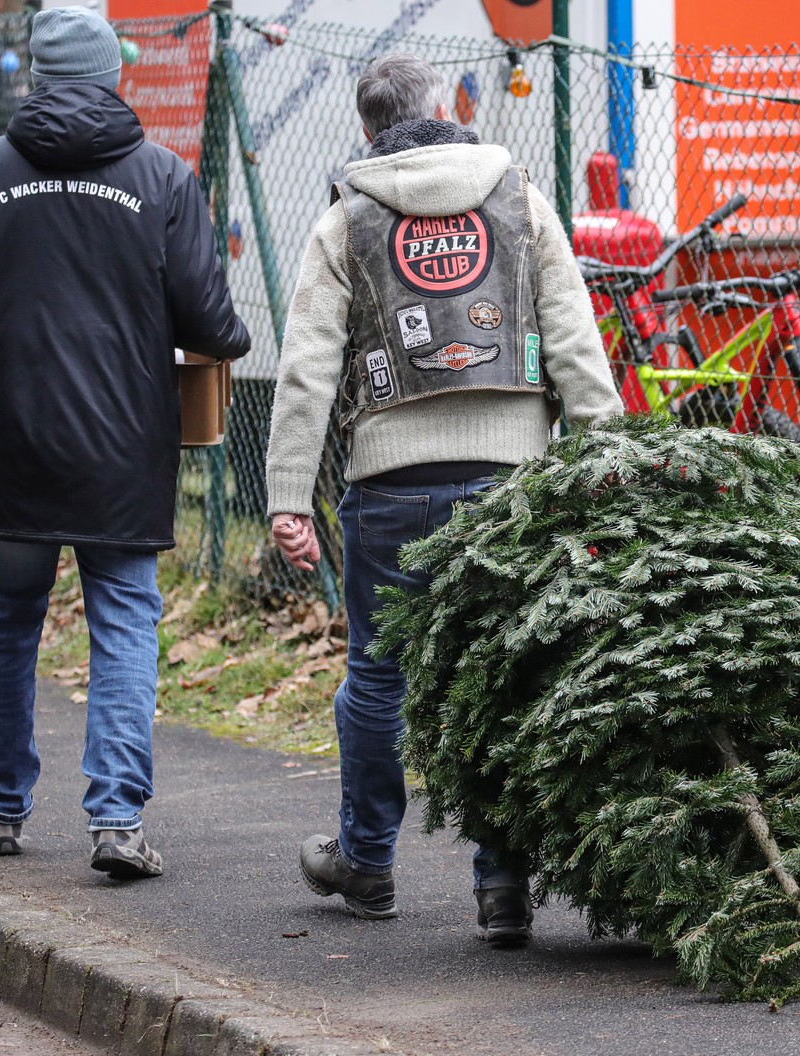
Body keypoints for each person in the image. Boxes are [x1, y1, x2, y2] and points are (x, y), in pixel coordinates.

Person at [266, 53, 623, 945]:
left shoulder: (345, 220)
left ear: (368, 131)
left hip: (389, 486)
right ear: (446, 112)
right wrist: (612, 455)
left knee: (377, 681)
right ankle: (502, 886)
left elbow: (307, 370)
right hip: (511, 484)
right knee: (501, 679)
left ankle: (369, 865)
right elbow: (574, 340)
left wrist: (287, 499)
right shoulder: (518, 199)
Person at [0, 7, 249, 880]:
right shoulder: (163, 179)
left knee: (8, 619)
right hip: (122, 450)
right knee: (125, 619)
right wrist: (226, 341)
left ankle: (1, 806)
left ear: (37, 77)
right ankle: (118, 820)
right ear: (112, 74)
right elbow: (209, 319)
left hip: (6, 441)